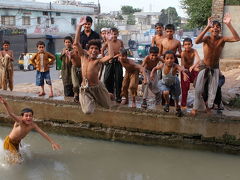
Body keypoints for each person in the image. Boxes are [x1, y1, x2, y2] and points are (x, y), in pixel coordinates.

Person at [191, 13, 240, 115]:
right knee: (199, 89)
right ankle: (195, 108)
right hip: (204, 67)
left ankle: (209, 107)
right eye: (213, 27)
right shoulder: (207, 39)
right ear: (210, 29)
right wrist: (207, 26)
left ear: (220, 30)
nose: (215, 28)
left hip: (215, 68)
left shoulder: (222, 39)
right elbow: (196, 41)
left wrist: (229, 24)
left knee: (212, 91)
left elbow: (237, 38)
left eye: (218, 27)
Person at [71, 16, 114, 114]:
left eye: (96, 49)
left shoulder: (98, 61)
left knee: (107, 106)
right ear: (88, 49)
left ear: (99, 51)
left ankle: (108, 94)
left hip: (97, 88)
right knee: (87, 112)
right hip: (85, 88)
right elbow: (76, 43)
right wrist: (79, 27)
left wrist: (109, 41)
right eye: (92, 48)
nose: (94, 51)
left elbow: (111, 55)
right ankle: (91, 99)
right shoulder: (83, 56)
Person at [0, 96, 60, 163]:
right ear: (22, 117)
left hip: (17, 143)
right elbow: (11, 114)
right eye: (26, 116)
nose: (28, 117)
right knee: (16, 161)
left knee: (17, 159)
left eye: (30, 116)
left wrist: (52, 142)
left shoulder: (33, 125)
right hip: (9, 142)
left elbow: (43, 133)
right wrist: (5, 103)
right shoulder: (20, 121)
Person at [150, 50, 188, 117]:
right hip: (164, 83)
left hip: (174, 84)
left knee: (176, 99)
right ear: (164, 59)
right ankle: (167, 103)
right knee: (166, 92)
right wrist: (152, 73)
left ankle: (177, 108)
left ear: (174, 59)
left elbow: (181, 68)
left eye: (171, 58)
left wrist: (184, 73)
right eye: (167, 58)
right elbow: (155, 68)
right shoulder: (162, 65)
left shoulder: (175, 66)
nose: (169, 60)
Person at [102, 27, 124, 103]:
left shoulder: (120, 42)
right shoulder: (108, 42)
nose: (114, 36)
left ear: (117, 34)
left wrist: (120, 57)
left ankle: (118, 96)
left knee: (118, 79)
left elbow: (122, 51)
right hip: (109, 61)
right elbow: (102, 49)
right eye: (112, 34)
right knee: (107, 78)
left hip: (118, 62)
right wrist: (104, 58)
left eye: (115, 34)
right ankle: (109, 95)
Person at [180, 38, 200, 108]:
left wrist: (193, 66)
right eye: (185, 44)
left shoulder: (194, 51)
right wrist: (184, 73)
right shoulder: (183, 53)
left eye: (189, 44)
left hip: (192, 69)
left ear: (192, 45)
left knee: (199, 85)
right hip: (185, 70)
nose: (187, 46)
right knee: (184, 88)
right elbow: (182, 65)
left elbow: (198, 60)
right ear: (183, 46)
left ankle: (200, 103)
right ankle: (183, 105)